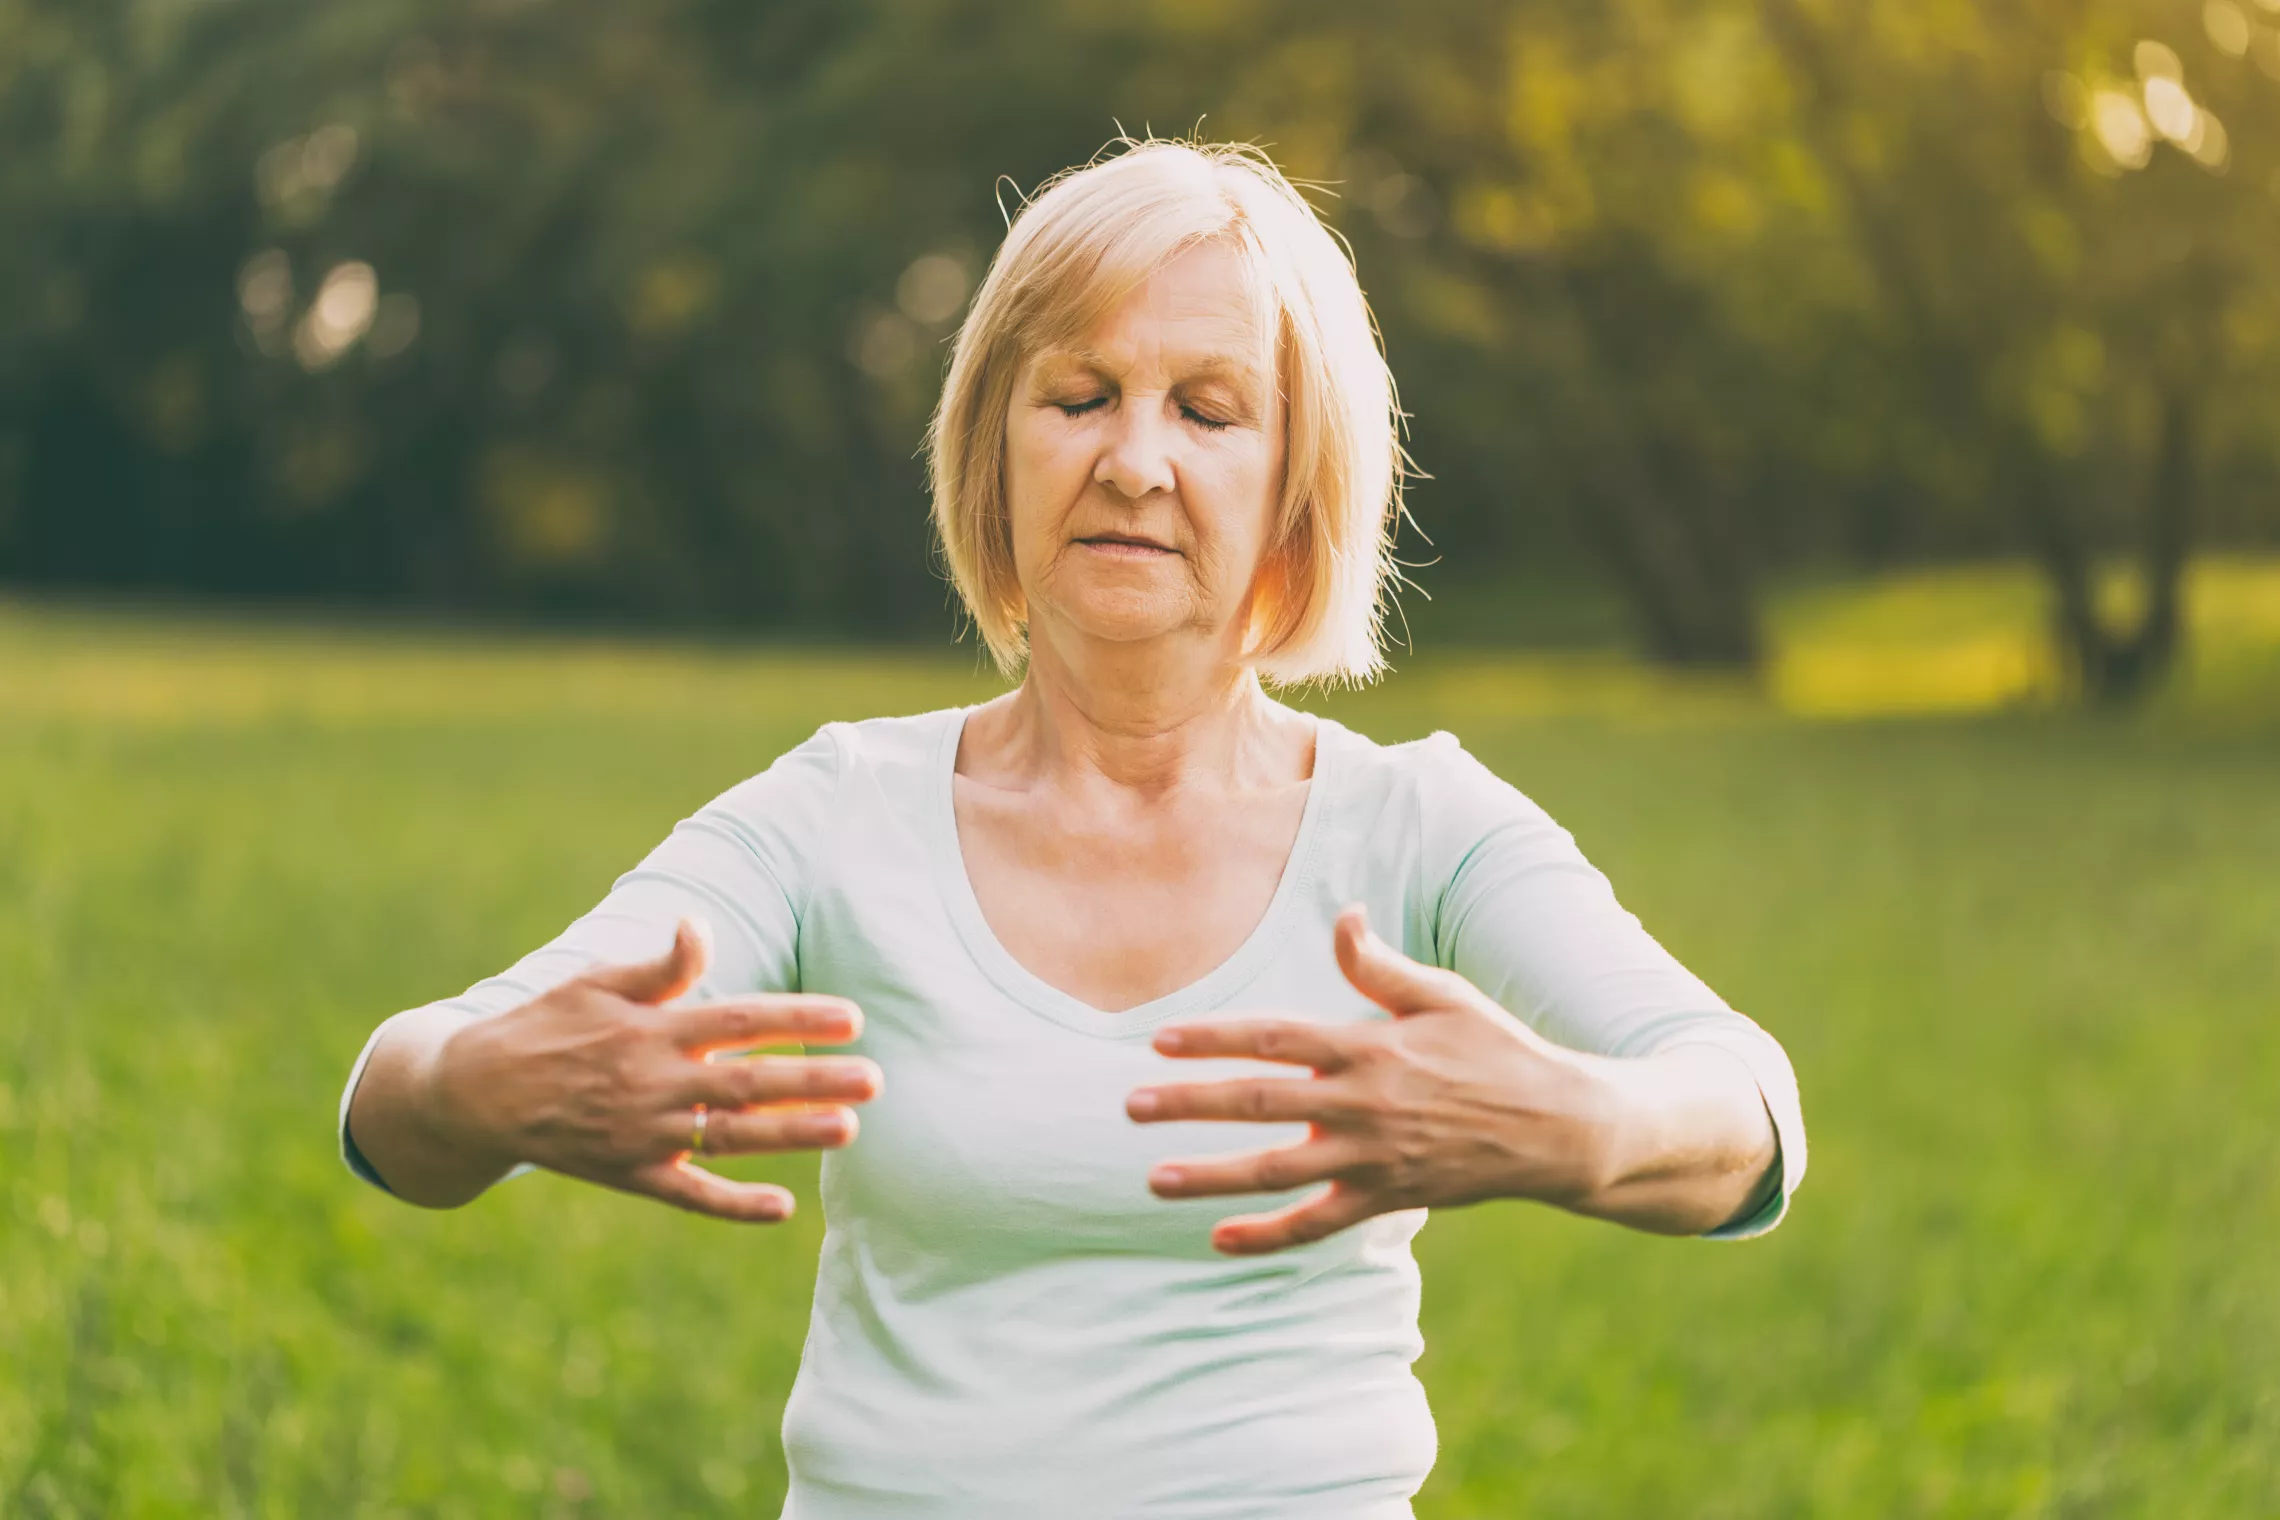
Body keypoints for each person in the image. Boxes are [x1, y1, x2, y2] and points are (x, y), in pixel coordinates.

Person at [338, 138, 1807, 1519]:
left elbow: (1749, 1115)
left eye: (1208, 411)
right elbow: (398, 1094)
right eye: (1081, 394)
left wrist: (1576, 1126)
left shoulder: (1417, 826)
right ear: (997, 448)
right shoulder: (841, 813)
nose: (1135, 461)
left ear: (1298, 487)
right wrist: (484, 1088)